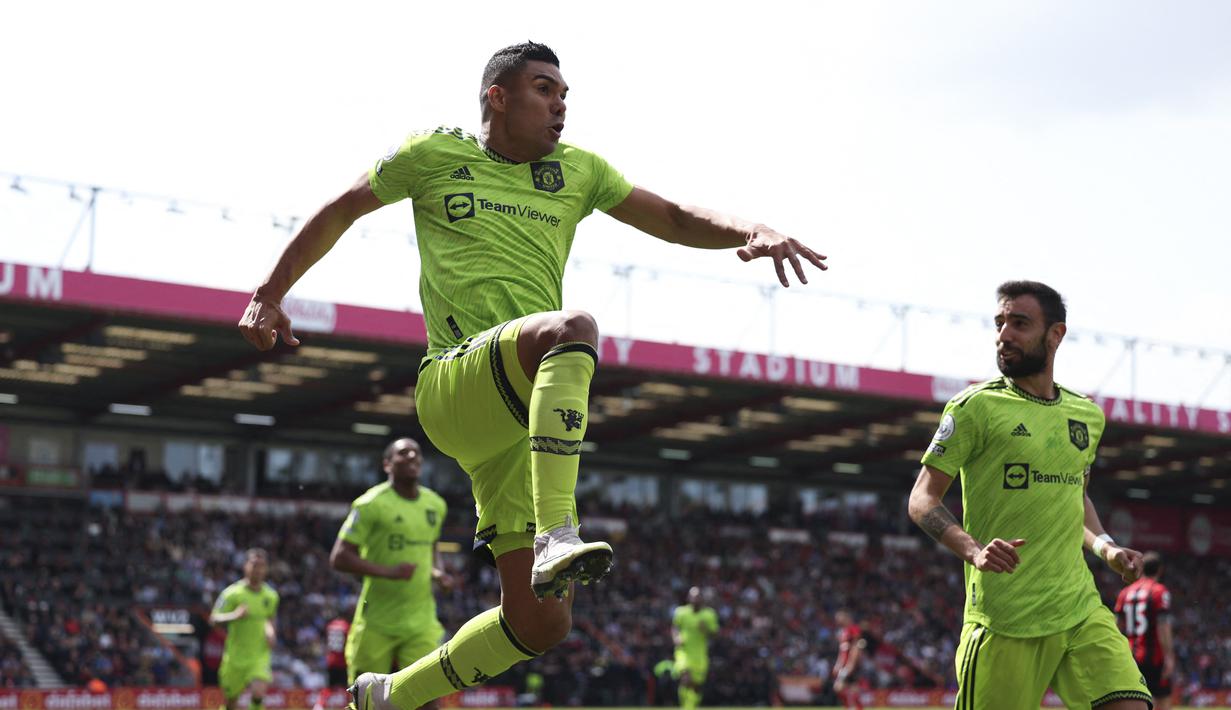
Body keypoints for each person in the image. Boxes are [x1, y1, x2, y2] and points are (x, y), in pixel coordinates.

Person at [237, 41, 826, 710]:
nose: (560, 106)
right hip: (454, 382)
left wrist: (754, 228)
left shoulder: (578, 171)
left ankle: (390, 695)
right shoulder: (433, 153)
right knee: (569, 328)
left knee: (540, 623)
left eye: (565, 96)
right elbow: (342, 207)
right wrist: (269, 290)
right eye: (545, 90)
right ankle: (556, 533)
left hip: (519, 423)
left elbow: (672, 218)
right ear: (497, 96)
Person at [907, 280, 1152, 710]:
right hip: (1006, 619)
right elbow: (922, 499)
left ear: (1055, 334)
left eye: (1019, 323)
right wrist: (974, 550)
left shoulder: (1086, 416)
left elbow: (1074, 498)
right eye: (1000, 323)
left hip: (1079, 609)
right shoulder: (974, 408)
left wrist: (1106, 548)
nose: (1004, 334)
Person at [329, 438, 453, 709]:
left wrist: (438, 572)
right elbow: (339, 557)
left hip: (421, 620)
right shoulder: (370, 504)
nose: (411, 456)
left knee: (429, 697)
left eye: (416, 452)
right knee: (367, 701)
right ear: (387, 464)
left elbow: (431, 547)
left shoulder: (435, 505)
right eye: (402, 452)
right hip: (377, 621)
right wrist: (389, 572)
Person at [209, 548, 279, 710]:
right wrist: (234, 615)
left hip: (259, 655)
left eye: (262, 566)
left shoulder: (271, 596)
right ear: (245, 566)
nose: (258, 569)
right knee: (231, 703)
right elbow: (214, 620)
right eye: (254, 565)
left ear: (266, 569)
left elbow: (270, 619)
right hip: (235, 658)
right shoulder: (231, 594)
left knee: (258, 692)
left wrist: (271, 632)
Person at [1115, 551, 1176, 710]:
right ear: (1160, 570)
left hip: (1131, 657)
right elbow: (1163, 627)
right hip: (1154, 658)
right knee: (1162, 701)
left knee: (1135, 701)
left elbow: (1117, 628)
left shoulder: (1125, 593)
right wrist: (1169, 656)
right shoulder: (1160, 592)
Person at [671, 586, 719, 710]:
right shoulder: (681, 612)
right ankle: (684, 707)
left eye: (698, 596)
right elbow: (675, 627)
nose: (695, 599)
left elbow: (715, 634)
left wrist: (706, 630)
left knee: (696, 686)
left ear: (702, 599)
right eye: (693, 596)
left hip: (700, 655)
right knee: (685, 679)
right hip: (683, 652)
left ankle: (692, 706)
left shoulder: (709, 614)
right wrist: (676, 638)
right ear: (688, 598)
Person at [313, 605, 353, 710]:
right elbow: (349, 644)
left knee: (329, 686)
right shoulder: (346, 626)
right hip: (342, 661)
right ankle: (350, 706)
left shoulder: (330, 625)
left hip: (331, 660)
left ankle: (319, 705)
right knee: (349, 687)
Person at [830, 609, 865, 710]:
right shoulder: (843, 632)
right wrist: (838, 664)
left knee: (839, 687)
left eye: (839, 619)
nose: (837, 621)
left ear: (846, 618)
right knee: (848, 689)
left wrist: (851, 663)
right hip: (844, 664)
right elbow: (842, 651)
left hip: (850, 665)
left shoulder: (853, 629)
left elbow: (856, 646)